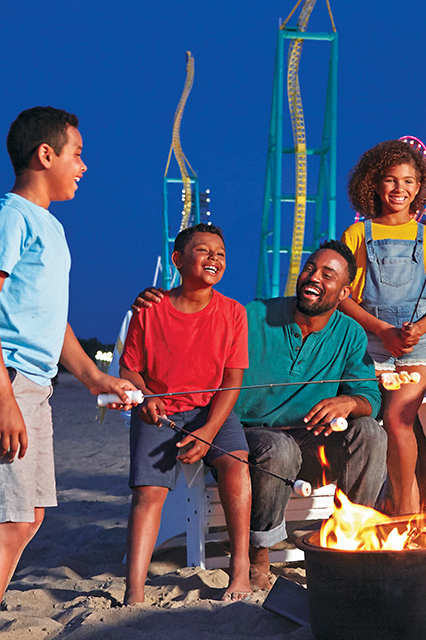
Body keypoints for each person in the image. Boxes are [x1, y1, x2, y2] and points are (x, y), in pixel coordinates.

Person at [0, 106, 137, 640]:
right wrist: (3, 397)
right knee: (6, 523)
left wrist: (96, 379)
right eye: (77, 153)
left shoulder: (48, 224)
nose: (84, 165)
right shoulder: (10, 215)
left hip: (31, 382)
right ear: (44, 154)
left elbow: (52, 321)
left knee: (28, 517)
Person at [132, 241, 386, 590]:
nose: (313, 277)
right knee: (277, 446)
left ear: (345, 291)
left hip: (313, 445)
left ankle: (349, 537)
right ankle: (260, 550)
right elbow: (200, 314)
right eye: (310, 268)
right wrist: (163, 299)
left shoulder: (349, 333)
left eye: (327, 275)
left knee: (371, 432)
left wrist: (349, 404)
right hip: (252, 439)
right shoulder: (254, 315)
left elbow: (371, 396)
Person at [117, 223, 251, 604]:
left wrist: (209, 430)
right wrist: (144, 397)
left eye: (221, 254)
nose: (214, 258)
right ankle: (135, 589)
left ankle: (239, 568)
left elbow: (232, 379)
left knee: (237, 463)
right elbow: (130, 369)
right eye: (204, 250)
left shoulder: (233, 313)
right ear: (177, 260)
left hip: (213, 409)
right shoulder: (150, 309)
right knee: (148, 492)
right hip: (161, 413)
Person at [339, 140, 426, 516]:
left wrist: (417, 330)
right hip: (368, 341)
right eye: (390, 180)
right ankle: (368, 507)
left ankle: (406, 511)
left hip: (415, 346)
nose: (399, 189)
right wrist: (382, 331)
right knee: (368, 421)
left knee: (397, 420)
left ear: (420, 187)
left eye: (408, 181)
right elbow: (344, 298)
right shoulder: (357, 235)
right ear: (373, 184)